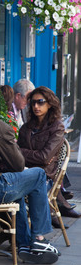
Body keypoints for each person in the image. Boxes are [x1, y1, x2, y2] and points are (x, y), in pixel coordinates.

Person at [0, 83, 60, 265]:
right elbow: (18, 164)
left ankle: (23, 243)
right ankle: (38, 238)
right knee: (38, 175)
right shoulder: (0, 127)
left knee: (19, 188)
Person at [18, 86, 80, 220]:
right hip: (24, 172)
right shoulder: (25, 128)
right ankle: (15, 230)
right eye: (33, 102)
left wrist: (23, 152)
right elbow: (16, 155)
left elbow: (44, 158)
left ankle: (36, 231)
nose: (36, 106)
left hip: (45, 175)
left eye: (40, 102)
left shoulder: (57, 127)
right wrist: (29, 154)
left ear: (50, 104)